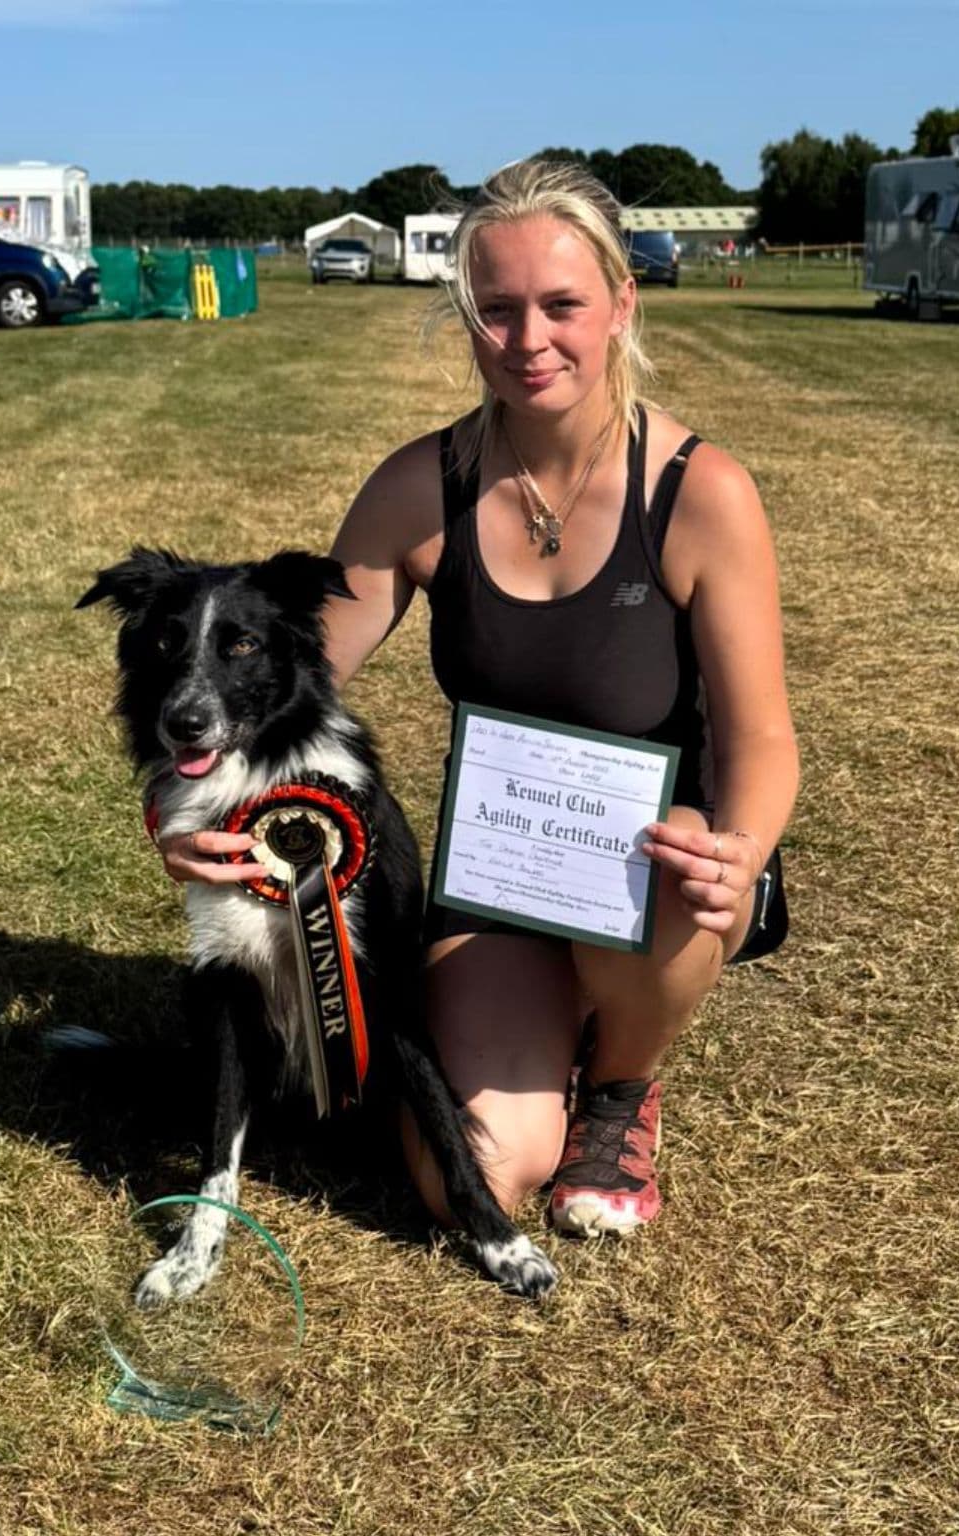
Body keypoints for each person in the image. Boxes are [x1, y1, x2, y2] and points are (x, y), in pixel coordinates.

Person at [157, 157, 799, 1239]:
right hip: (506, 869)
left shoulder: (704, 494)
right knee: (477, 1177)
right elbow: (288, 677)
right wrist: (186, 809)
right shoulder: (423, 486)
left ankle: (620, 1086)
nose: (528, 339)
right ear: (465, 316)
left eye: (562, 305)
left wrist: (741, 848)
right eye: (496, 309)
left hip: (657, 870)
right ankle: (552, 1034)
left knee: (676, 883)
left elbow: (761, 733)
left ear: (622, 305)